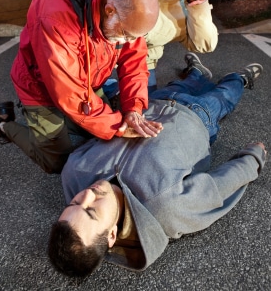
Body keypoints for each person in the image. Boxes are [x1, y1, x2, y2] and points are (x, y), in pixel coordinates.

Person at [48, 54, 267, 278]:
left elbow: (94, 134)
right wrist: (253, 159)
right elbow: (218, 188)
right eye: (91, 211)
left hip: (149, 106)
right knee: (224, 95)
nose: (86, 195)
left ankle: (198, 72)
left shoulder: (74, 172)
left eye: (74, 202)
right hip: (199, 117)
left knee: (185, 82)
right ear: (112, 235)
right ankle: (239, 78)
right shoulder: (165, 207)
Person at [0, 0, 163, 174]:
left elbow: (134, 62)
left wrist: (133, 109)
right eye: (126, 35)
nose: (127, 42)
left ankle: (63, 123)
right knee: (55, 161)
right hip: (39, 86)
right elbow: (69, 93)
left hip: (85, 81)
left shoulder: (127, 14)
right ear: (109, 10)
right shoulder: (55, 17)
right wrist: (117, 126)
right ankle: (1, 124)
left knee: (100, 130)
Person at [106, 0, 218, 95]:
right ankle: (110, 85)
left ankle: (196, 72)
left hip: (143, 62)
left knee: (146, 107)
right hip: (105, 58)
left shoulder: (188, 3)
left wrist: (200, 8)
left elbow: (204, 45)